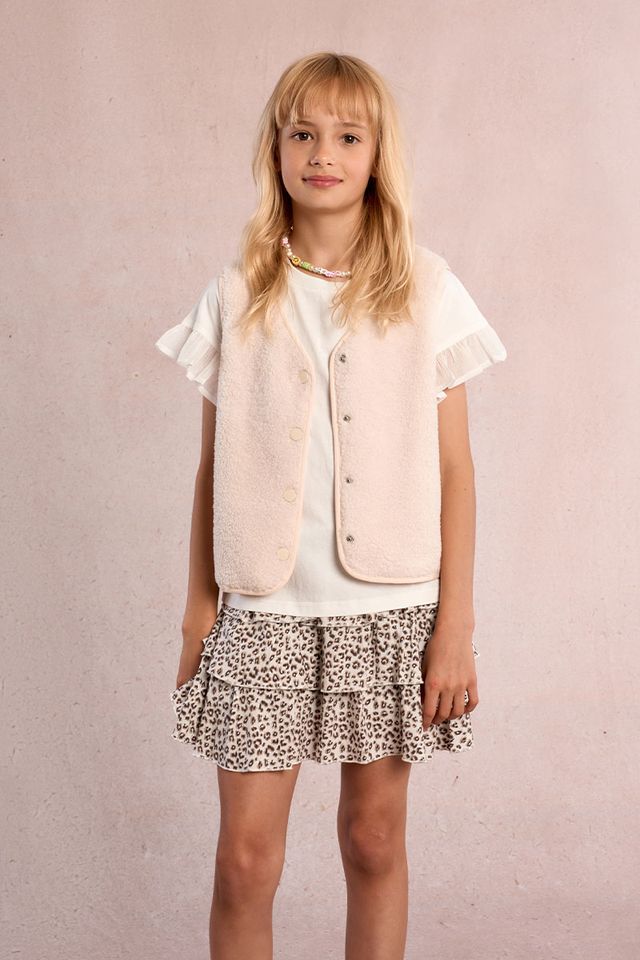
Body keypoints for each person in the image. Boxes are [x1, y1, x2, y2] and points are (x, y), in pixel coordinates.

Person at [154, 51, 507, 960]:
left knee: (374, 839)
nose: (323, 154)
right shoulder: (236, 294)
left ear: (378, 156)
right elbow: (212, 466)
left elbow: (457, 470)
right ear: (275, 151)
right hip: (263, 612)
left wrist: (456, 626)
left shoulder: (427, 288)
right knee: (244, 862)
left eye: (349, 137)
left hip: (389, 613)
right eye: (303, 134)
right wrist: (198, 612)